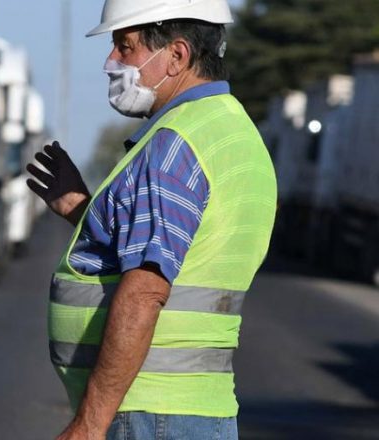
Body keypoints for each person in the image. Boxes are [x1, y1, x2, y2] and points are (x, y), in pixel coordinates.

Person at [26, 1, 277, 439]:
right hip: (192, 410)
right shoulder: (231, 130)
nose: (111, 62)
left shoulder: (173, 147)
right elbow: (176, 251)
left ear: (177, 56)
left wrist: (90, 424)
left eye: (125, 47)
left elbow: (145, 291)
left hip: (149, 413)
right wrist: (82, 210)